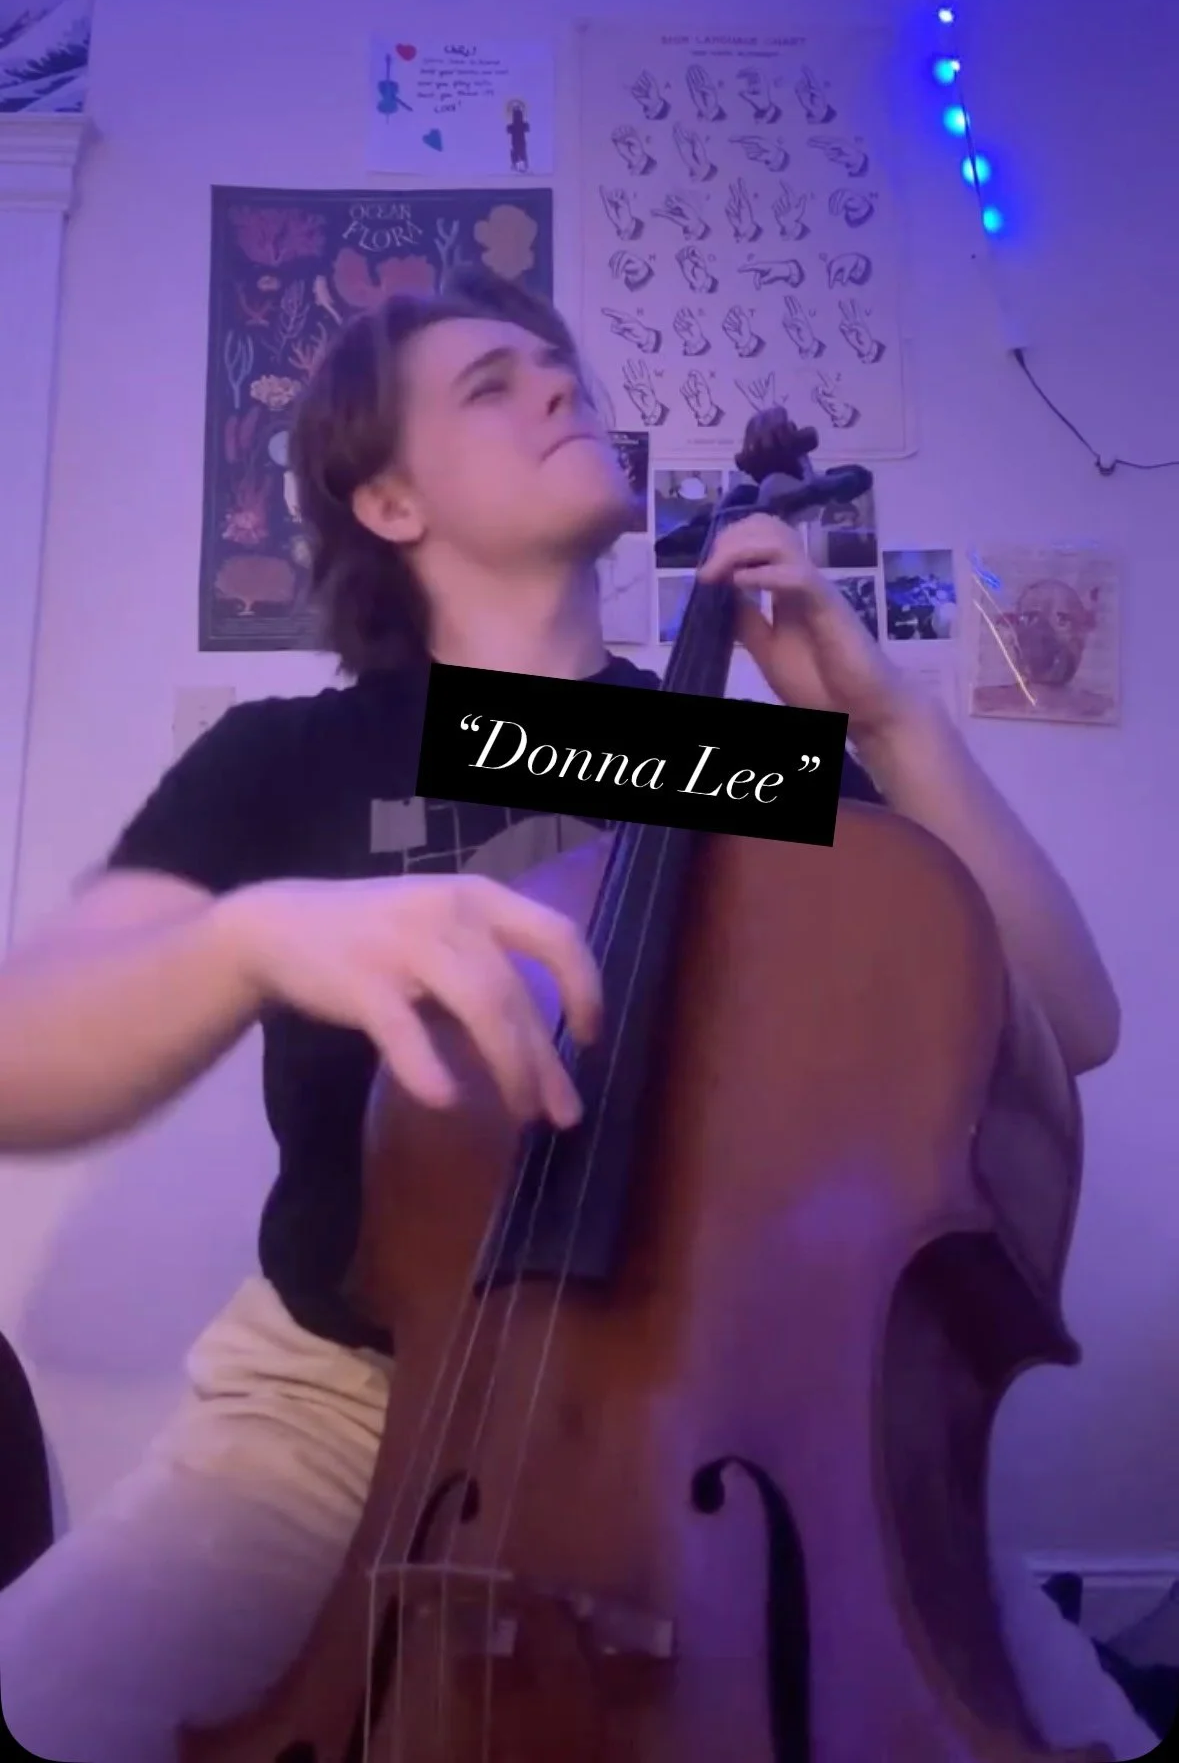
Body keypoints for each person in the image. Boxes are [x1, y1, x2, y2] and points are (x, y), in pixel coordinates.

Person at [0, 270, 1153, 1761]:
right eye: (491, 384)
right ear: (390, 502)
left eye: (558, 369)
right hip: (340, 1408)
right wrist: (250, 936)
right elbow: (25, 1056)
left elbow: (1066, 1021)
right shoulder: (288, 758)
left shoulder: (703, 756)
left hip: (741, 1397)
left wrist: (888, 720)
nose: (561, 386)